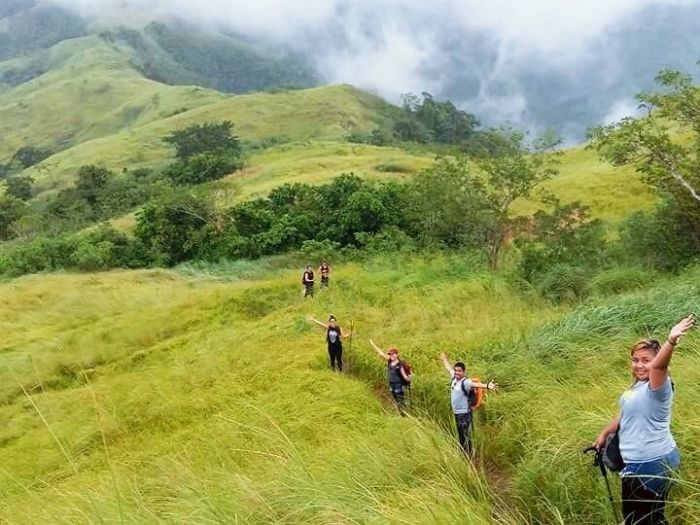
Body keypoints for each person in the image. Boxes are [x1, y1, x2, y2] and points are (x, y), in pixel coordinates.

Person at [593, 314, 694, 525]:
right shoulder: (638, 387)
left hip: (649, 462)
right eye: (635, 360)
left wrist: (671, 340)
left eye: (646, 360)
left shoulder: (659, 387)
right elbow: (625, 413)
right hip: (644, 460)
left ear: (655, 361)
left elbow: (659, 368)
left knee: (639, 520)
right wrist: (604, 433)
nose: (639, 365)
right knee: (652, 517)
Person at [439, 352, 497, 456]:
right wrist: (444, 359)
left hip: (464, 414)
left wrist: (488, 386)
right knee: (461, 435)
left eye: (459, 371)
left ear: (463, 372)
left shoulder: (466, 382)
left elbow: (476, 384)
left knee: (464, 435)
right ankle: (464, 452)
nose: (457, 372)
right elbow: (449, 369)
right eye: (456, 370)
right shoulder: (454, 378)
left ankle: (467, 455)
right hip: (457, 413)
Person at [369, 339, 411, 415]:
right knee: (395, 398)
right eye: (390, 354)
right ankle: (402, 410)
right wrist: (372, 344)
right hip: (391, 384)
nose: (391, 355)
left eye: (393, 354)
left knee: (400, 400)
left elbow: (404, 375)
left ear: (397, 354)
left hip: (398, 384)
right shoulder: (389, 361)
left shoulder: (400, 365)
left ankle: (403, 413)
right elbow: (381, 353)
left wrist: (408, 378)